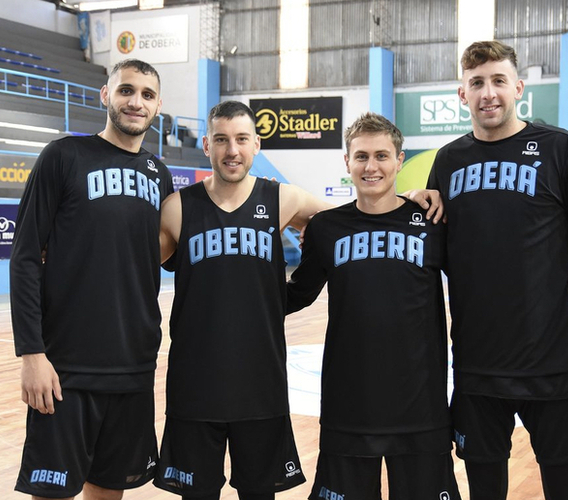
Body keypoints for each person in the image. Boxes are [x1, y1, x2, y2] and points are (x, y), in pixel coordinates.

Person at [153, 101, 443, 500]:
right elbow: (127, 270)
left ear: (256, 145)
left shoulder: (284, 199)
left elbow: (355, 219)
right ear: (206, 145)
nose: (232, 150)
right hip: (195, 382)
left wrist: (410, 200)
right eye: (221, 140)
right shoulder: (176, 209)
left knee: (259, 491)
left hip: (261, 383)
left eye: (241, 139)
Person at [426, 40, 568, 500]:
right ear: (463, 95)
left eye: (499, 81)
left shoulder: (560, 149)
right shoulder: (448, 161)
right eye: (476, 83)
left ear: (518, 88)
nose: (488, 93)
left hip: (553, 368)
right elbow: (440, 253)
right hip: (478, 370)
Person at [10, 59, 173, 500]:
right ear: (106, 95)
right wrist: (31, 353)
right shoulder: (63, 156)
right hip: (65, 367)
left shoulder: (160, 174)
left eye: (147, 94)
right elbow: (25, 258)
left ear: (158, 106)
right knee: (51, 493)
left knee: (108, 493)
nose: (135, 102)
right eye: (126, 90)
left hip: (134, 366)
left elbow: (175, 248)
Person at [286, 112, 461, 500]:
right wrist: (231, 281)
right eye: (361, 156)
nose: (371, 166)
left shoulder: (432, 222)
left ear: (399, 161)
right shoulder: (326, 228)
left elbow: (476, 284)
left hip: (421, 407)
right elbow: (295, 295)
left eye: (382, 156)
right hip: (349, 406)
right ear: (346, 162)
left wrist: (557, 289)